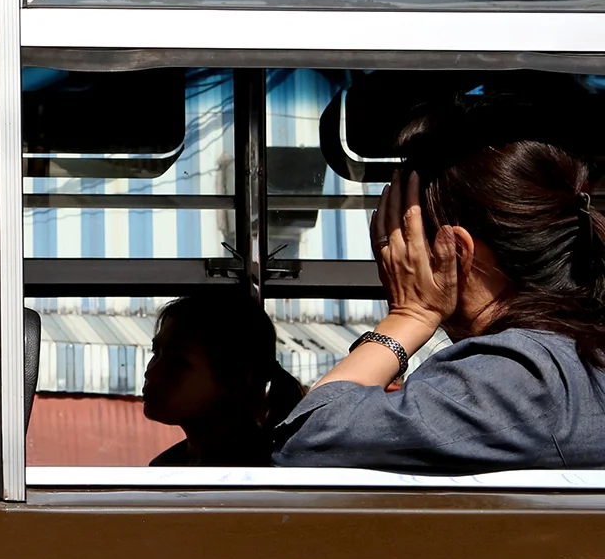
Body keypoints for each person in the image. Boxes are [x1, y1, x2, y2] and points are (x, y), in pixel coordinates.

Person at [273, 99, 605, 472]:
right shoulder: (579, 359)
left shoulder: (520, 381)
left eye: (403, 241)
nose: (394, 263)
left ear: (456, 251)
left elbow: (306, 441)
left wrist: (409, 315)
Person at [142, 290, 303, 466]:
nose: (151, 373)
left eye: (178, 362)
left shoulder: (261, 471)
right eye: (155, 353)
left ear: (234, 381)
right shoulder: (169, 465)